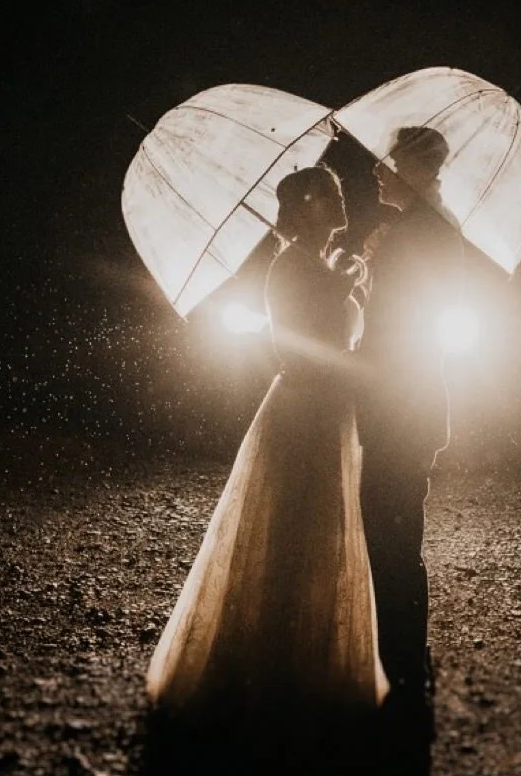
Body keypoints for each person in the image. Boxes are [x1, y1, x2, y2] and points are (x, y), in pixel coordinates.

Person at [144, 164, 389, 719]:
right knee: (289, 529)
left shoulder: (322, 264)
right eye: (329, 195)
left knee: (323, 526)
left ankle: (310, 655)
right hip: (303, 407)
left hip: (328, 408)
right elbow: (301, 345)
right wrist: (345, 282)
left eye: (338, 189)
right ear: (307, 208)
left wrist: (349, 276)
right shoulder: (290, 266)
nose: (341, 199)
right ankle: (274, 662)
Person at [354, 125, 465, 711]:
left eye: (386, 160)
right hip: (409, 403)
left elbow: (393, 333)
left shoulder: (419, 234)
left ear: (414, 171)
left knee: (391, 538)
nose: (376, 169)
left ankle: (402, 669)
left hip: (402, 405)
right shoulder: (425, 229)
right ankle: (404, 660)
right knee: (393, 532)